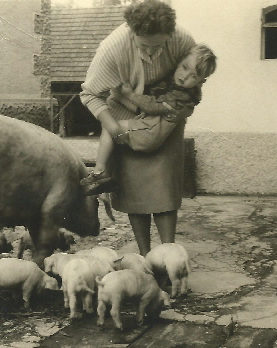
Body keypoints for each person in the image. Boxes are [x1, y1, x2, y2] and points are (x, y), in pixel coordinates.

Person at [80, 0, 202, 255]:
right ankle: (147, 258)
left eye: (157, 46)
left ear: (170, 35)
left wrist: (180, 109)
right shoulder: (112, 48)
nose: (149, 53)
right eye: (142, 45)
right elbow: (90, 94)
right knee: (136, 195)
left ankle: (167, 255)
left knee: (165, 193)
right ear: (131, 30)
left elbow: (196, 75)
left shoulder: (183, 41)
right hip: (125, 116)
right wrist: (113, 129)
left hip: (165, 117)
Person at [81, 44, 217, 195]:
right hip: (149, 129)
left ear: (200, 82)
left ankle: (100, 171)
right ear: (179, 62)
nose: (185, 76)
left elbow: (152, 106)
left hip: (149, 132)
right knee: (115, 134)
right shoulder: (184, 91)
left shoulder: (180, 96)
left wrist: (130, 95)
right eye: (185, 67)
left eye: (194, 76)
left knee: (110, 127)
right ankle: (107, 174)